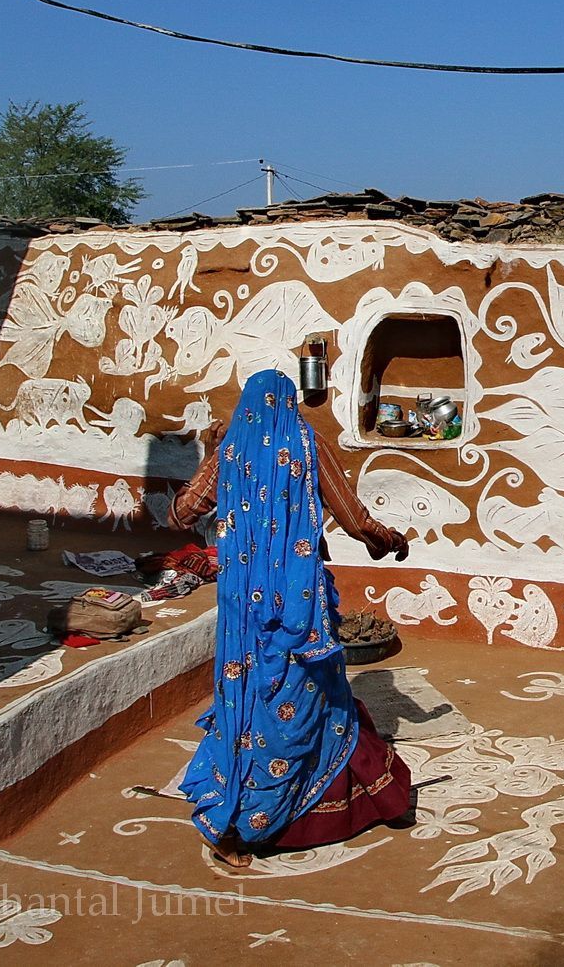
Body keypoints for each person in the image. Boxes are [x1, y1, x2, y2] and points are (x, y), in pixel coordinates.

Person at [169, 368, 411, 865]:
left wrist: (214, 453)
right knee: (315, 698)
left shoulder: (230, 452)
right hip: (300, 607)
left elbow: (182, 514)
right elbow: (353, 516)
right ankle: (347, 799)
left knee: (250, 699)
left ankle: (240, 818)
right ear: (290, 403)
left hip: (243, 614)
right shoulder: (308, 444)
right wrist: (388, 540)